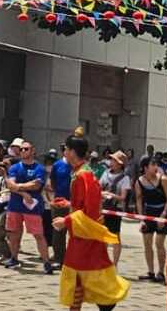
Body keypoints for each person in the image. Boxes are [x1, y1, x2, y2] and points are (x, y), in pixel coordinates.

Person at [50, 133, 128, 311]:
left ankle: (107, 301)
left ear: (72, 151)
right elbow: (84, 205)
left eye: (66, 149)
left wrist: (66, 220)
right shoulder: (79, 173)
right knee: (79, 276)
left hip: (86, 237)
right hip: (81, 234)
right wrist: (69, 204)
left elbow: (91, 211)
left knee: (82, 274)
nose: (64, 152)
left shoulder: (84, 175)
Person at [3, 138, 52, 273]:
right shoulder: (15, 167)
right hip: (15, 206)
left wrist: (18, 186)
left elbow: (36, 185)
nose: (23, 151)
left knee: (38, 235)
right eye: (21, 149)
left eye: (26, 149)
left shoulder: (39, 168)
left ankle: (46, 262)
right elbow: (10, 185)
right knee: (14, 234)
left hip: (32, 207)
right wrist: (24, 192)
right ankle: (14, 258)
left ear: (33, 151)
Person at [133, 156, 167, 282]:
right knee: (147, 242)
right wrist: (141, 219)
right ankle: (150, 272)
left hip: (163, 211)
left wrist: (163, 215)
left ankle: (161, 272)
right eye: (153, 164)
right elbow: (139, 200)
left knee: (159, 243)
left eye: (156, 164)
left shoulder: (163, 179)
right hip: (148, 212)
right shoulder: (139, 182)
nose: (156, 167)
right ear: (145, 167)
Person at [97, 151, 130, 266]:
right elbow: (98, 188)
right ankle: (103, 261)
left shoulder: (125, 178)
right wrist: (102, 194)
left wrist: (112, 195)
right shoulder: (105, 173)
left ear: (120, 164)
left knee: (115, 236)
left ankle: (114, 264)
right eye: (112, 159)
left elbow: (123, 197)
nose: (112, 162)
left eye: (115, 160)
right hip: (103, 208)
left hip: (116, 209)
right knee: (103, 236)